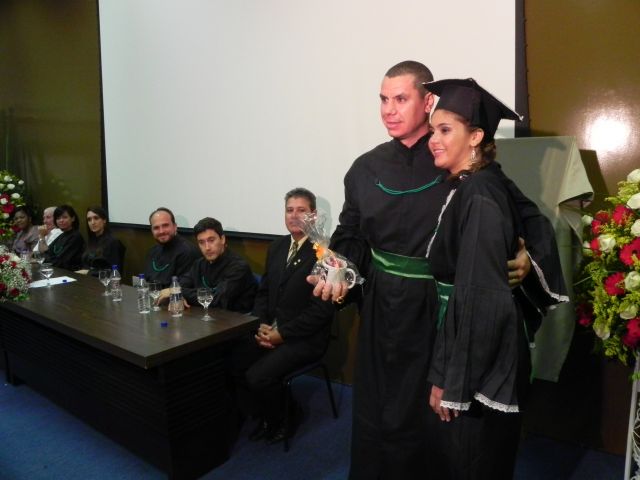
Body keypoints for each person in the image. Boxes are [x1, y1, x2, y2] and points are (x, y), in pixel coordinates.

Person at [314, 61, 565, 479]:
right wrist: (337, 268)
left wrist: (528, 258)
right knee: (379, 411)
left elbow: (530, 219)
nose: (389, 110)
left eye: (400, 99)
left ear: (427, 101)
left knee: (436, 423)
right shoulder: (364, 168)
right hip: (381, 310)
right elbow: (350, 232)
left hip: (438, 312)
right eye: (383, 99)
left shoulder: (460, 167)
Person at [424, 78, 567, 479]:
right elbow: (535, 222)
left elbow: (479, 297)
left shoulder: (481, 194)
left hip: (480, 357)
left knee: (473, 460)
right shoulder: (484, 180)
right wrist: (526, 256)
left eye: (445, 130)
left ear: (475, 137)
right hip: (478, 342)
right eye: (432, 130)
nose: (433, 140)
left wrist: (450, 380)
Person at [233, 188, 335, 444]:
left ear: (313, 215)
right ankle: (264, 414)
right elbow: (264, 292)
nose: (294, 215)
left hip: (305, 338)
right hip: (271, 330)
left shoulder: (324, 253)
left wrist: (282, 335)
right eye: (289, 210)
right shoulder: (277, 247)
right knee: (234, 361)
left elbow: (320, 313)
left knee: (258, 376)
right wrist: (260, 324)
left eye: (301, 210)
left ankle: (288, 416)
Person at [157, 216, 257, 312]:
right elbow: (180, 285)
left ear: (222, 239)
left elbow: (217, 300)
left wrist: (178, 292)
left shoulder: (238, 267)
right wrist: (178, 294)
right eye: (201, 242)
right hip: (205, 317)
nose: (207, 247)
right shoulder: (199, 264)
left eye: (211, 240)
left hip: (236, 320)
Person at [142, 207, 199, 288]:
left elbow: (181, 288)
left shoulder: (187, 252)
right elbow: (145, 280)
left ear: (175, 226)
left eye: (165, 225)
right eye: (156, 228)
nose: (161, 231)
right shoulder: (153, 251)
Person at [79, 206, 126, 276]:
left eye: (96, 218)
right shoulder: (91, 241)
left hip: (103, 281)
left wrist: (89, 272)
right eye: (89, 219)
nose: (92, 222)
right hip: (86, 279)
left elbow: (115, 272)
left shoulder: (113, 242)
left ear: (104, 220)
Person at [44, 205, 85, 271]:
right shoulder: (61, 235)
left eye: (65, 217)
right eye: (58, 218)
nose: (61, 220)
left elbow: (61, 261)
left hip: (70, 274)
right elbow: (46, 253)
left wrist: (47, 259)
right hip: (57, 271)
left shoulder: (76, 236)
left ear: (73, 218)